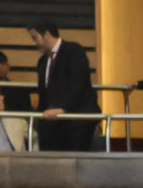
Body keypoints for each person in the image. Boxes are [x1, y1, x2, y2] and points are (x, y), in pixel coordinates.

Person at [30, 22, 97, 151]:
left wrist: (64, 108)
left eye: (35, 38)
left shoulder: (74, 51)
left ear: (46, 34)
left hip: (77, 121)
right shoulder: (43, 61)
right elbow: (44, 93)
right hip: (52, 124)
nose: (34, 43)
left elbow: (79, 83)